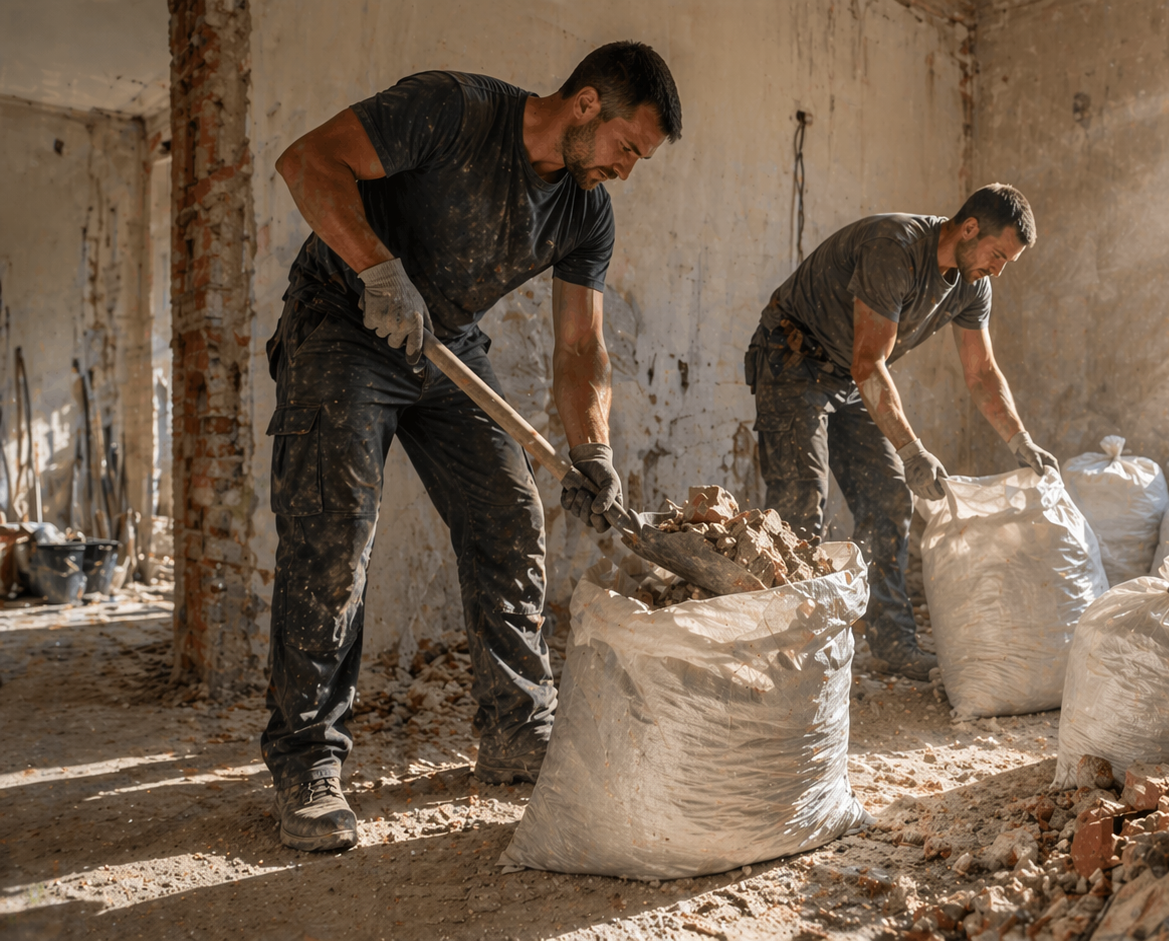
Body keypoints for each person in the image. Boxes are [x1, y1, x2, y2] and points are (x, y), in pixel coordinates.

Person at [263, 42, 680, 852]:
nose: (627, 169)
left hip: (447, 345)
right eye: (628, 147)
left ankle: (519, 728)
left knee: (509, 512)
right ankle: (307, 759)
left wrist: (592, 448)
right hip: (344, 321)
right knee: (334, 530)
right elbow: (308, 160)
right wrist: (378, 270)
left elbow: (579, 349)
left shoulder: (586, 210)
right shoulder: (454, 110)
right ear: (587, 105)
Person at [745, 184, 1058, 680]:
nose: (998, 269)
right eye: (997, 255)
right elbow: (870, 360)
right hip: (793, 357)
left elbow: (981, 372)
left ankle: (893, 644)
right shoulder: (895, 249)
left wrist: (1021, 441)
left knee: (890, 496)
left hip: (850, 377)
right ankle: (787, 653)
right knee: (802, 498)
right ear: (970, 228)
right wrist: (913, 449)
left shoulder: (973, 284)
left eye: (1007, 263)